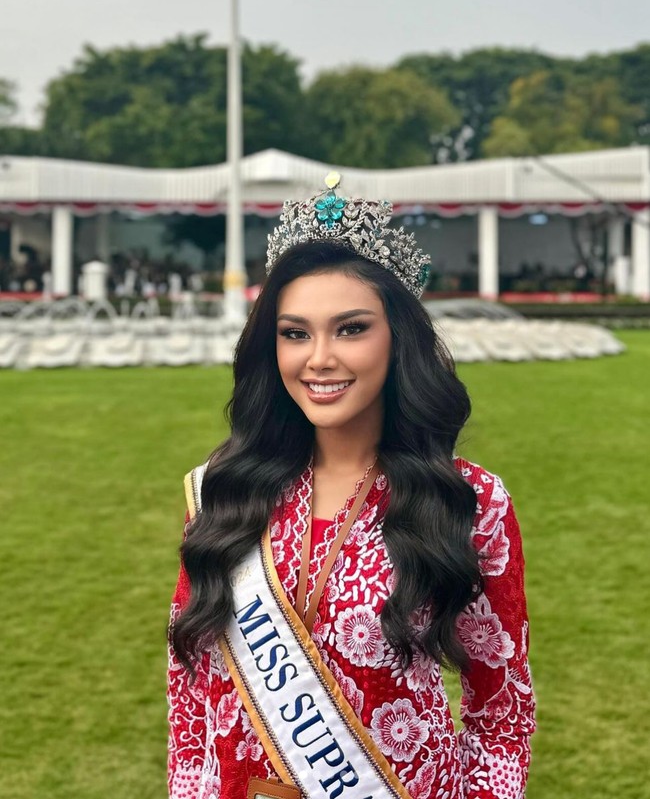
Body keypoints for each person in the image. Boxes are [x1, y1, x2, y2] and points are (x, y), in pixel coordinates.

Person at [167, 173, 536, 799]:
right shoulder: (225, 490)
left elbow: (502, 710)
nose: (319, 358)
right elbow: (189, 694)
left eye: (351, 328)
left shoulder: (468, 500)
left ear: (398, 338)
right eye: (295, 333)